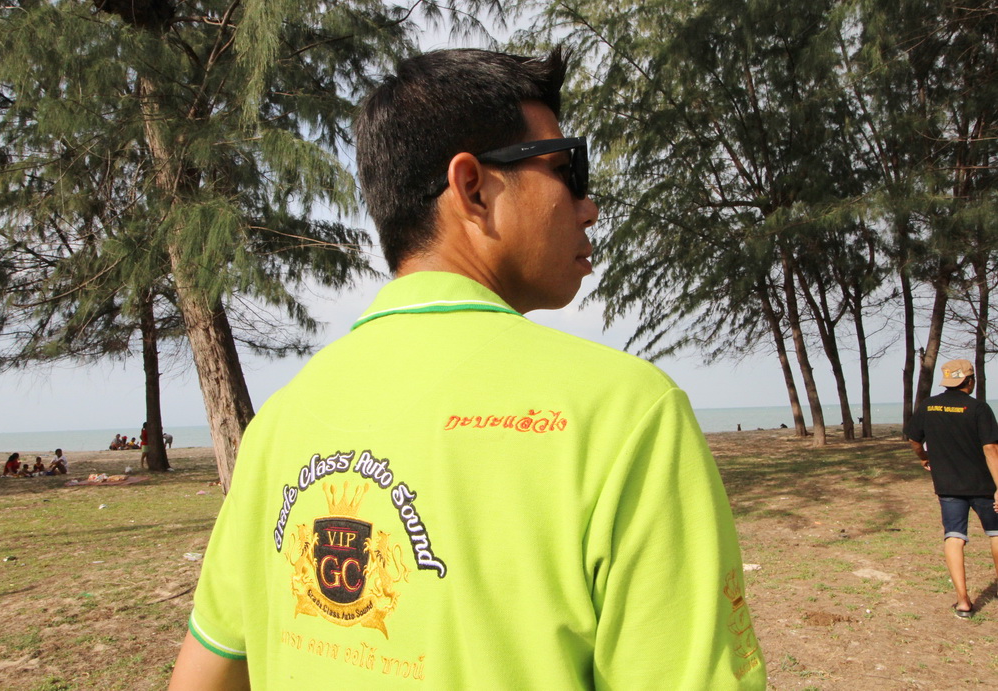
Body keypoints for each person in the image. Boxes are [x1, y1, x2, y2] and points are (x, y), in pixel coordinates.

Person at [169, 48, 764, 690]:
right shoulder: (626, 414)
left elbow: (203, 678)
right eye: (568, 169)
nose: (589, 206)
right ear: (473, 188)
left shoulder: (278, 426)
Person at [907, 358, 998, 618]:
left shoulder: (928, 406)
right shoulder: (979, 408)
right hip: (983, 485)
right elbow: (991, 448)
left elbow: (914, 439)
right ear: (970, 381)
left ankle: (963, 602)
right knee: (996, 533)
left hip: (948, 485)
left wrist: (923, 457)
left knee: (954, 537)